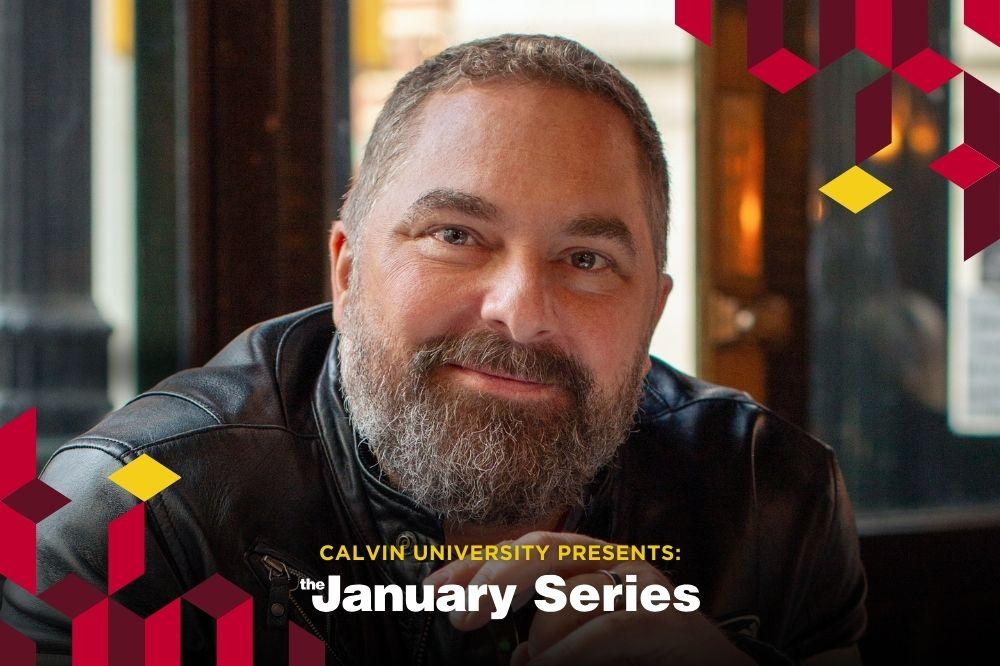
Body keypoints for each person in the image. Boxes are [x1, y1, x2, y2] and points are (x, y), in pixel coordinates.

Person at [1, 34, 866, 665]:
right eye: (456, 234)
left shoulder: (766, 495)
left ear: (652, 314)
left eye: (588, 260)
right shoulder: (134, 515)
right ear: (347, 272)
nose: (520, 311)